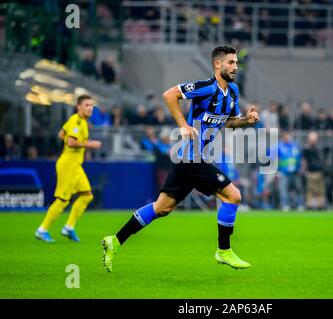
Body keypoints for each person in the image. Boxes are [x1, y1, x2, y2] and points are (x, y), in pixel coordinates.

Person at [101, 46, 260, 272]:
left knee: (162, 208)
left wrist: (246, 121)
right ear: (218, 64)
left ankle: (114, 241)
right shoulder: (206, 87)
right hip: (191, 158)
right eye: (231, 63)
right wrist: (183, 125)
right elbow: (169, 94)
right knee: (233, 196)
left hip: (191, 159)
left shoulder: (232, 92)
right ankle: (223, 251)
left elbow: (227, 122)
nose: (235, 67)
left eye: (236, 63)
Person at [35, 95, 102, 242]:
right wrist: (90, 144)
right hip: (68, 164)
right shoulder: (77, 121)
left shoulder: (79, 121)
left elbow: (62, 134)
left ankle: (69, 227)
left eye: (91, 105)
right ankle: (42, 229)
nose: (90, 108)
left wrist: (75, 140)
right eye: (86, 105)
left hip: (74, 165)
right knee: (63, 199)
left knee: (87, 195)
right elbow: (71, 142)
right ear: (78, 107)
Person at [277, 131, 303, 211]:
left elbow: (300, 158)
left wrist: (300, 168)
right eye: (285, 136)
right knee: (283, 189)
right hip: (284, 172)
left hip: (295, 171)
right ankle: (285, 205)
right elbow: (273, 158)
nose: (287, 138)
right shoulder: (279, 146)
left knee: (298, 188)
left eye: (288, 136)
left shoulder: (295, 146)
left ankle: (300, 204)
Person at [303, 131, 326, 210]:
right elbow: (304, 161)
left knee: (320, 189)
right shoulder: (306, 148)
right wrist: (305, 170)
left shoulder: (320, 148)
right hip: (311, 172)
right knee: (310, 189)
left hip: (319, 171)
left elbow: (323, 159)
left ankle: (320, 205)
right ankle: (310, 205)